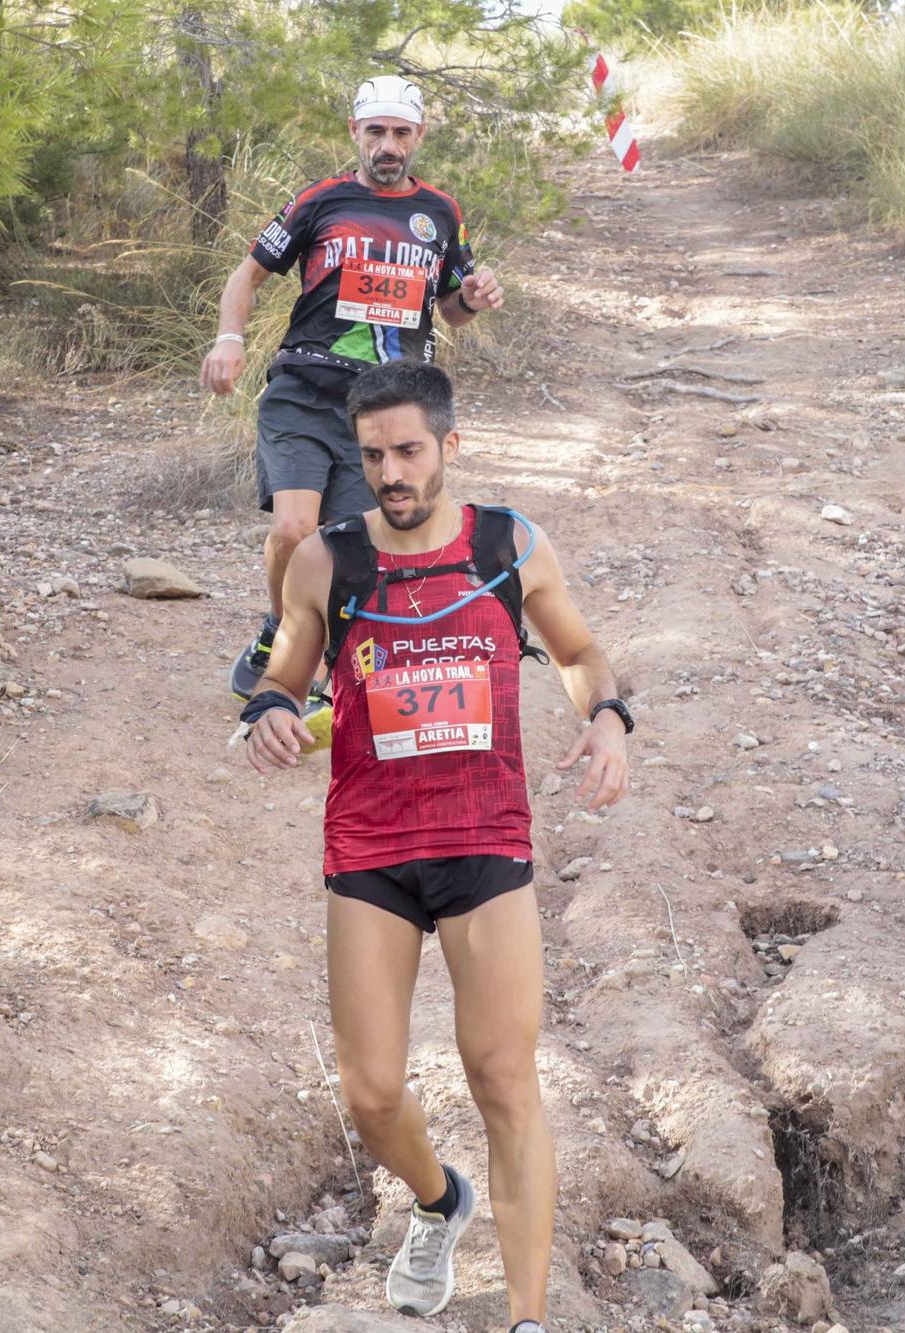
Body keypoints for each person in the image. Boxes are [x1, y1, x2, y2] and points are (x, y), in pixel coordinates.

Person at [239, 362, 631, 1330]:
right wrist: (270, 710)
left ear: (449, 447)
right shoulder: (325, 561)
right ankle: (434, 1199)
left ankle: (528, 1316)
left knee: (502, 1075)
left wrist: (608, 718)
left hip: (483, 840)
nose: (389, 473)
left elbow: (578, 655)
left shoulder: (506, 544)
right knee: (371, 1094)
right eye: (372, 455)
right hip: (369, 844)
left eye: (408, 451)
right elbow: (284, 670)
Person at [201, 73, 505, 702]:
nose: (387, 145)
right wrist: (229, 339)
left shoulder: (442, 213)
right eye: (375, 131)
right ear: (355, 134)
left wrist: (472, 300)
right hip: (304, 390)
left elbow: (450, 309)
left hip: (383, 409)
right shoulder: (320, 201)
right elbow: (246, 277)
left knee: (349, 549)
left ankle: (325, 662)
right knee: (293, 532)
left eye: (399, 132)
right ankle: (282, 632)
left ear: (418, 135)